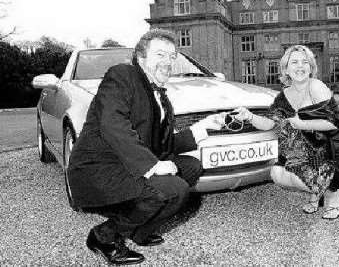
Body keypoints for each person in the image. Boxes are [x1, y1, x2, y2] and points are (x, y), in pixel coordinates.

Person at [67, 28, 223, 265]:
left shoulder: (161, 96)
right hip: (98, 168)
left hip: (126, 164)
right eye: (160, 54)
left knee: (191, 167)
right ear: (141, 59)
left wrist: (204, 128)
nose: (168, 62)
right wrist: (152, 166)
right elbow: (113, 124)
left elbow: (164, 145)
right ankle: (103, 236)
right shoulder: (122, 76)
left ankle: (138, 233)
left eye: (172, 56)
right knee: (172, 187)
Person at [233, 45, 339, 220]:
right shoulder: (283, 96)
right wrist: (249, 116)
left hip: (334, 152)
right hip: (309, 153)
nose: (300, 66)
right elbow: (268, 124)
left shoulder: (316, 86)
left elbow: (335, 122)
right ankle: (318, 188)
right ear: (286, 69)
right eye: (295, 62)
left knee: (304, 173)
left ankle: (332, 192)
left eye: (305, 62)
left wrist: (300, 124)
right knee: (277, 174)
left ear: (311, 67)